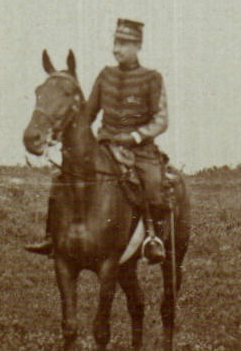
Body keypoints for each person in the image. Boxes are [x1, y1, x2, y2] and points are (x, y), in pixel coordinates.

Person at [25, 17, 171, 263]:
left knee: (154, 185)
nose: (117, 49)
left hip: (140, 150)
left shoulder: (152, 78)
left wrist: (136, 136)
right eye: (116, 42)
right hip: (105, 145)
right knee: (59, 179)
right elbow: (87, 114)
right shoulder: (105, 75)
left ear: (137, 46)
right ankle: (51, 237)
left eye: (124, 43)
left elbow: (161, 119)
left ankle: (153, 239)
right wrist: (63, 133)